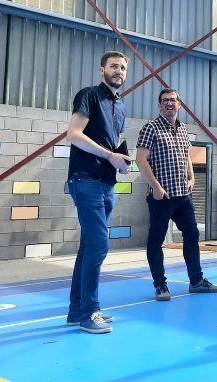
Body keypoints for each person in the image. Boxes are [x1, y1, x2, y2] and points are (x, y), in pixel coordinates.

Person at [66, 51, 132, 334]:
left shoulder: (121, 106)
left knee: (88, 248)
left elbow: (113, 143)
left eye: (123, 67)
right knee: (98, 246)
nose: (118, 70)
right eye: (113, 66)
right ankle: (89, 312)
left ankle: (76, 310)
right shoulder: (89, 95)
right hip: (86, 179)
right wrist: (108, 156)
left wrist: (121, 160)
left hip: (107, 182)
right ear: (101, 69)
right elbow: (74, 134)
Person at [136, 88, 217, 301]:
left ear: (179, 104)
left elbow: (186, 157)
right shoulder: (151, 128)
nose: (169, 104)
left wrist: (192, 177)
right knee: (156, 240)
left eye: (172, 100)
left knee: (192, 235)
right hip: (161, 196)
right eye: (165, 101)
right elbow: (140, 159)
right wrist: (156, 187)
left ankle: (196, 281)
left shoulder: (183, 129)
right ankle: (160, 285)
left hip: (183, 195)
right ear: (159, 105)